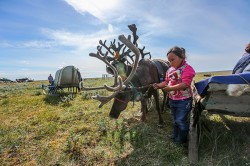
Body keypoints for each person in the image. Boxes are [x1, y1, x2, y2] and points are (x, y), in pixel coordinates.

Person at [153, 46, 196, 144]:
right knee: (175, 119)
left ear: (182, 57)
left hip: (184, 100)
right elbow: (166, 81)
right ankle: (175, 134)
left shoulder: (187, 69)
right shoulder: (170, 70)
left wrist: (170, 88)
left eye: (173, 59)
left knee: (181, 120)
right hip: (173, 99)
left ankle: (181, 140)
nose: (171, 62)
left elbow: (185, 84)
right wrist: (158, 85)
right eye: (169, 60)